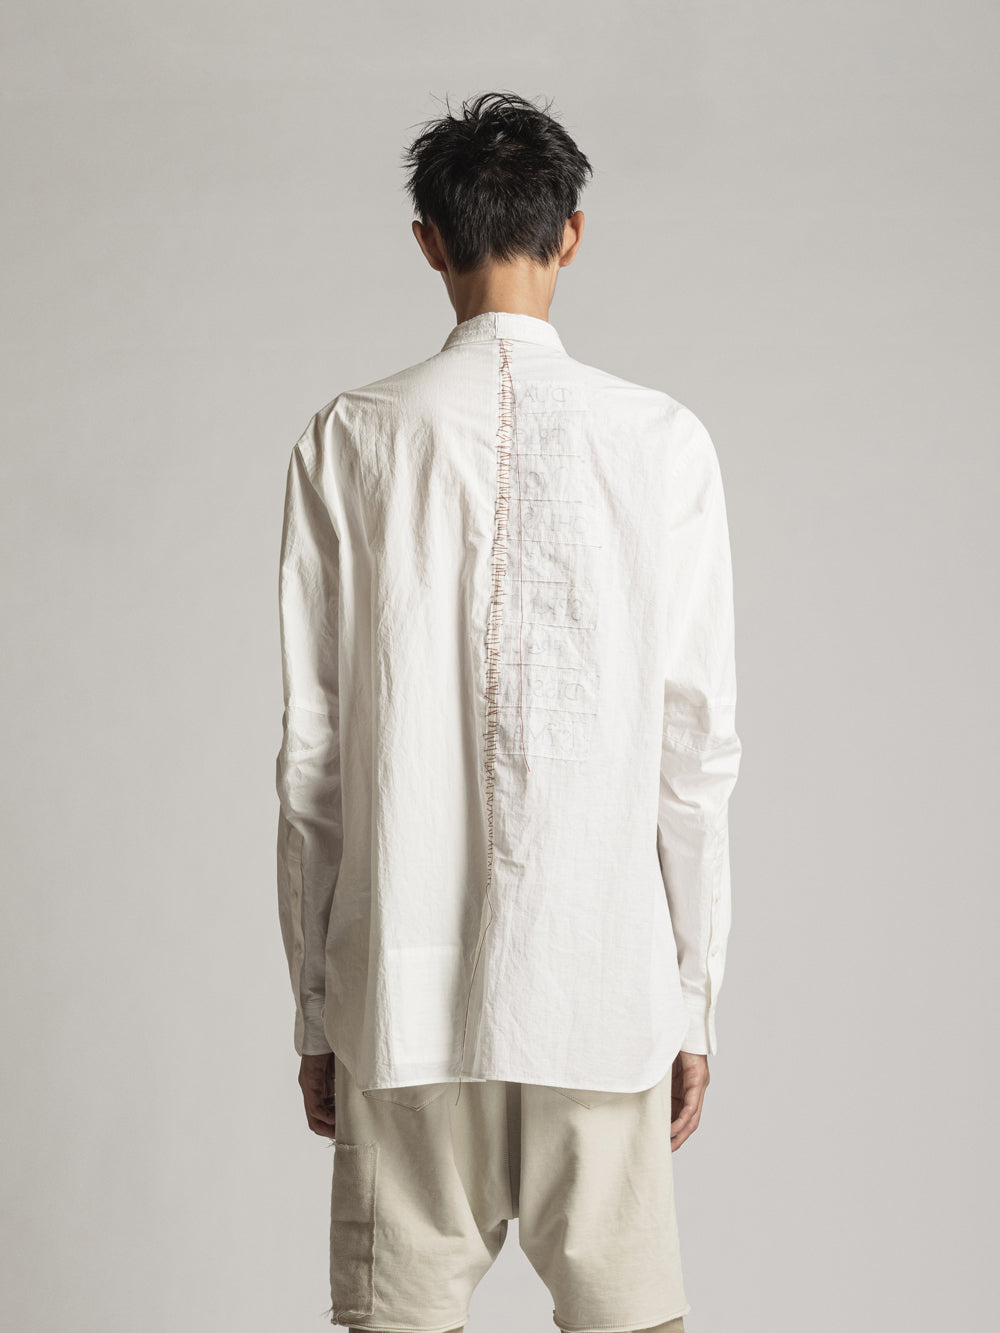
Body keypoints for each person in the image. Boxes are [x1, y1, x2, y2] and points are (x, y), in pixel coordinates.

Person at [275, 90, 742, 1333]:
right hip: (601, 985)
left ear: (427, 240)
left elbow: (314, 762)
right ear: (570, 234)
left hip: (400, 991)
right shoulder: (662, 442)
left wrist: (318, 1010)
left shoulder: (349, 438)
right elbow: (695, 755)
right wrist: (690, 998)